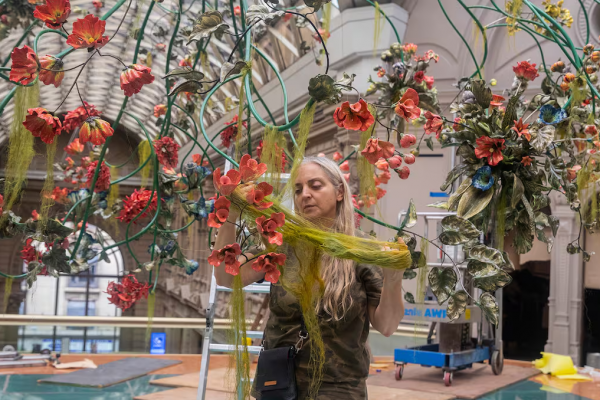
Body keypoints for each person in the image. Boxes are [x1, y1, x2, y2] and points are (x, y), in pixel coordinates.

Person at [213, 156, 405, 399]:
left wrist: (394, 278)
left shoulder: (362, 251)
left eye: (315, 186)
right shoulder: (281, 244)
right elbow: (225, 277)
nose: (305, 194)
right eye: (298, 189)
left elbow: (386, 325)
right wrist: (230, 215)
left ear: (339, 193)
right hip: (279, 384)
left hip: (338, 388)